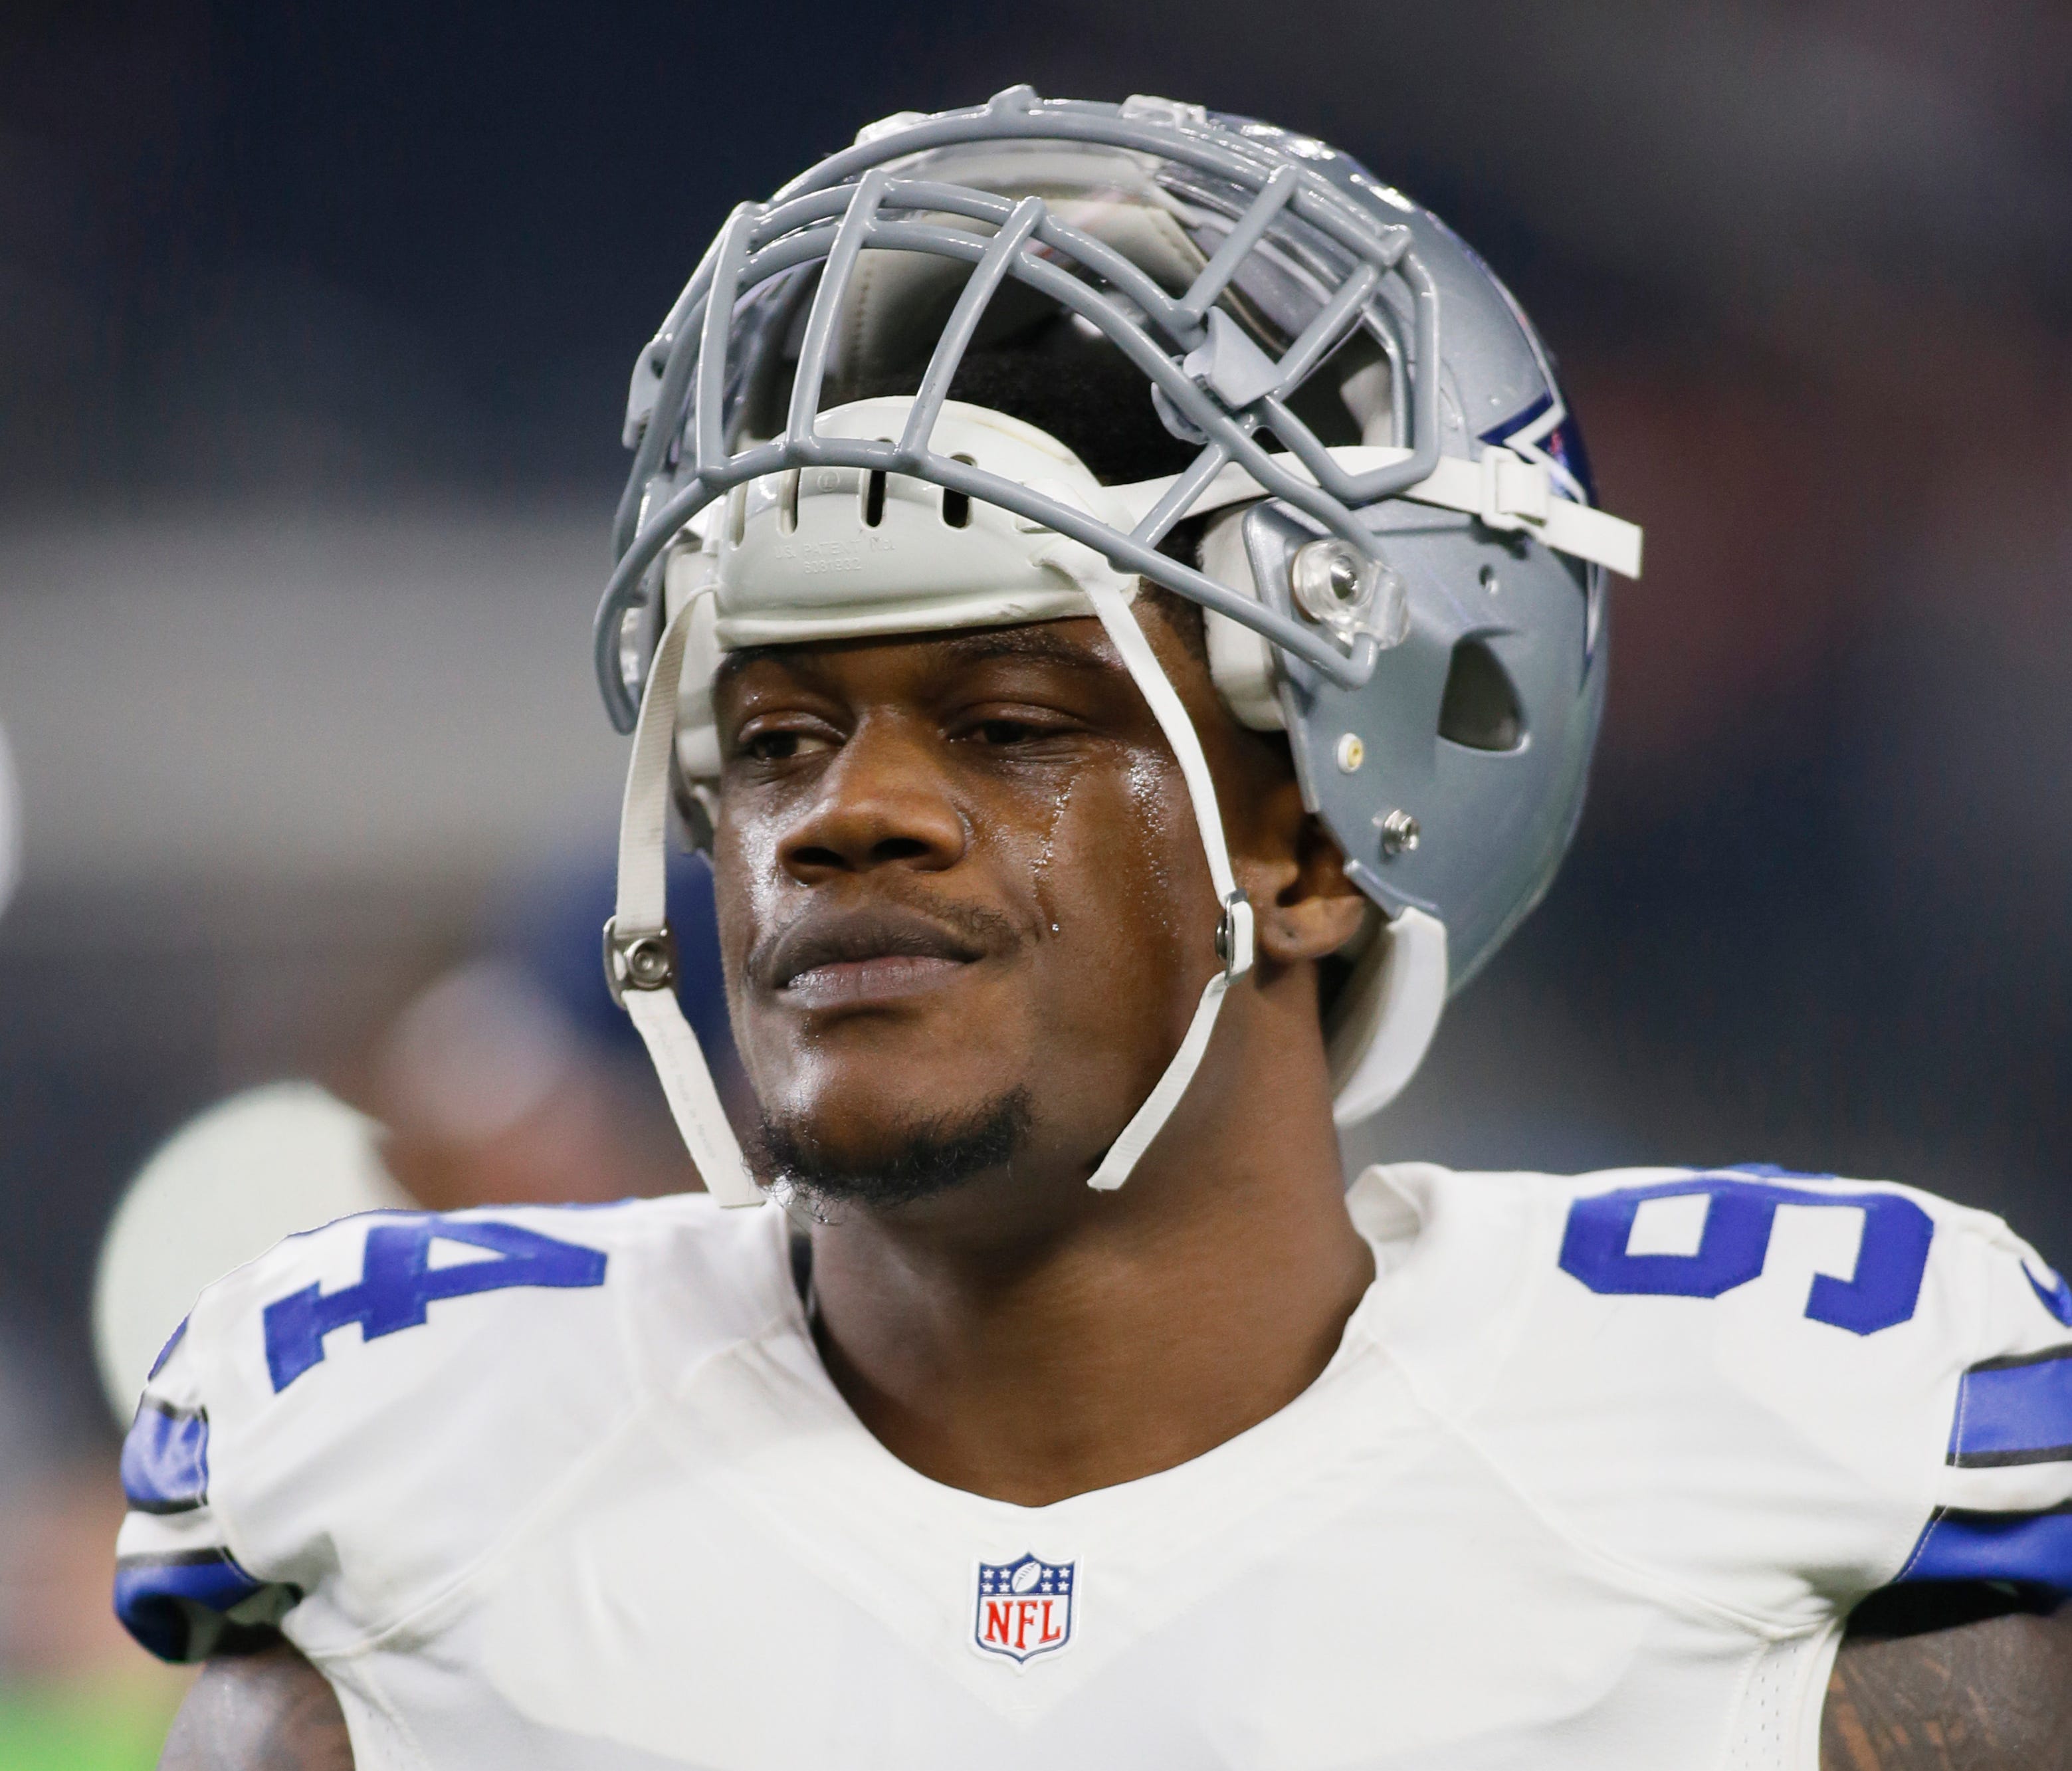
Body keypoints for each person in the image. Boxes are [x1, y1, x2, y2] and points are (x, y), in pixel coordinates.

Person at [113, 92, 2072, 1769]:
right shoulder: (416, 1509)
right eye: (775, 736)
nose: (842, 813)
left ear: (1316, 845)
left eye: (1010, 724)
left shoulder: (1785, 1482)